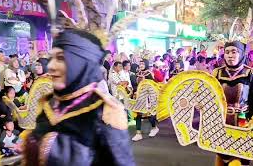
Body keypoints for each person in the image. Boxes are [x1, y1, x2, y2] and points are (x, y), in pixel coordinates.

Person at [22, 29, 135, 166]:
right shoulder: (49, 103)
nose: (50, 66)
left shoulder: (103, 112)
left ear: (81, 63)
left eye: (61, 58)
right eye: (51, 58)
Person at [212, 41, 253, 166]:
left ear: (241, 54)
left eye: (234, 52)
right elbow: (211, 98)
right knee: (222, 154)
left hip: (243, 121)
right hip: (222, 121)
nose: (230, 55)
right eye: (227, 52)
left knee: (241, 156)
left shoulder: (251, 74)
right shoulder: (216, 73)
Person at [132, 59, 159, 142]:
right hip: (138, 96)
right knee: (138, 114)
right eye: (140, 63)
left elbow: (153, 84)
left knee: (150, 115)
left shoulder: (148, 73)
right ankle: (138, 133)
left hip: (148, 97)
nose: (141, 65)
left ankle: (154, 127)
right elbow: (136, 84)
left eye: (143, 63)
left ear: (146, 64)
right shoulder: (138, 73)